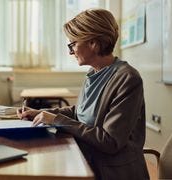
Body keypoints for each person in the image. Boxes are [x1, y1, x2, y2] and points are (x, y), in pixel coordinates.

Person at [18, 9, 149, 180]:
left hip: (113, 172)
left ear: (93, 43)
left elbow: (110, 142)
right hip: (86, 160)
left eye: (72, 44)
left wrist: (56, 120)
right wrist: (42, 113)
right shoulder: (94, 73)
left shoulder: (128, 78)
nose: (70, 52)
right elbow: (80, 113)